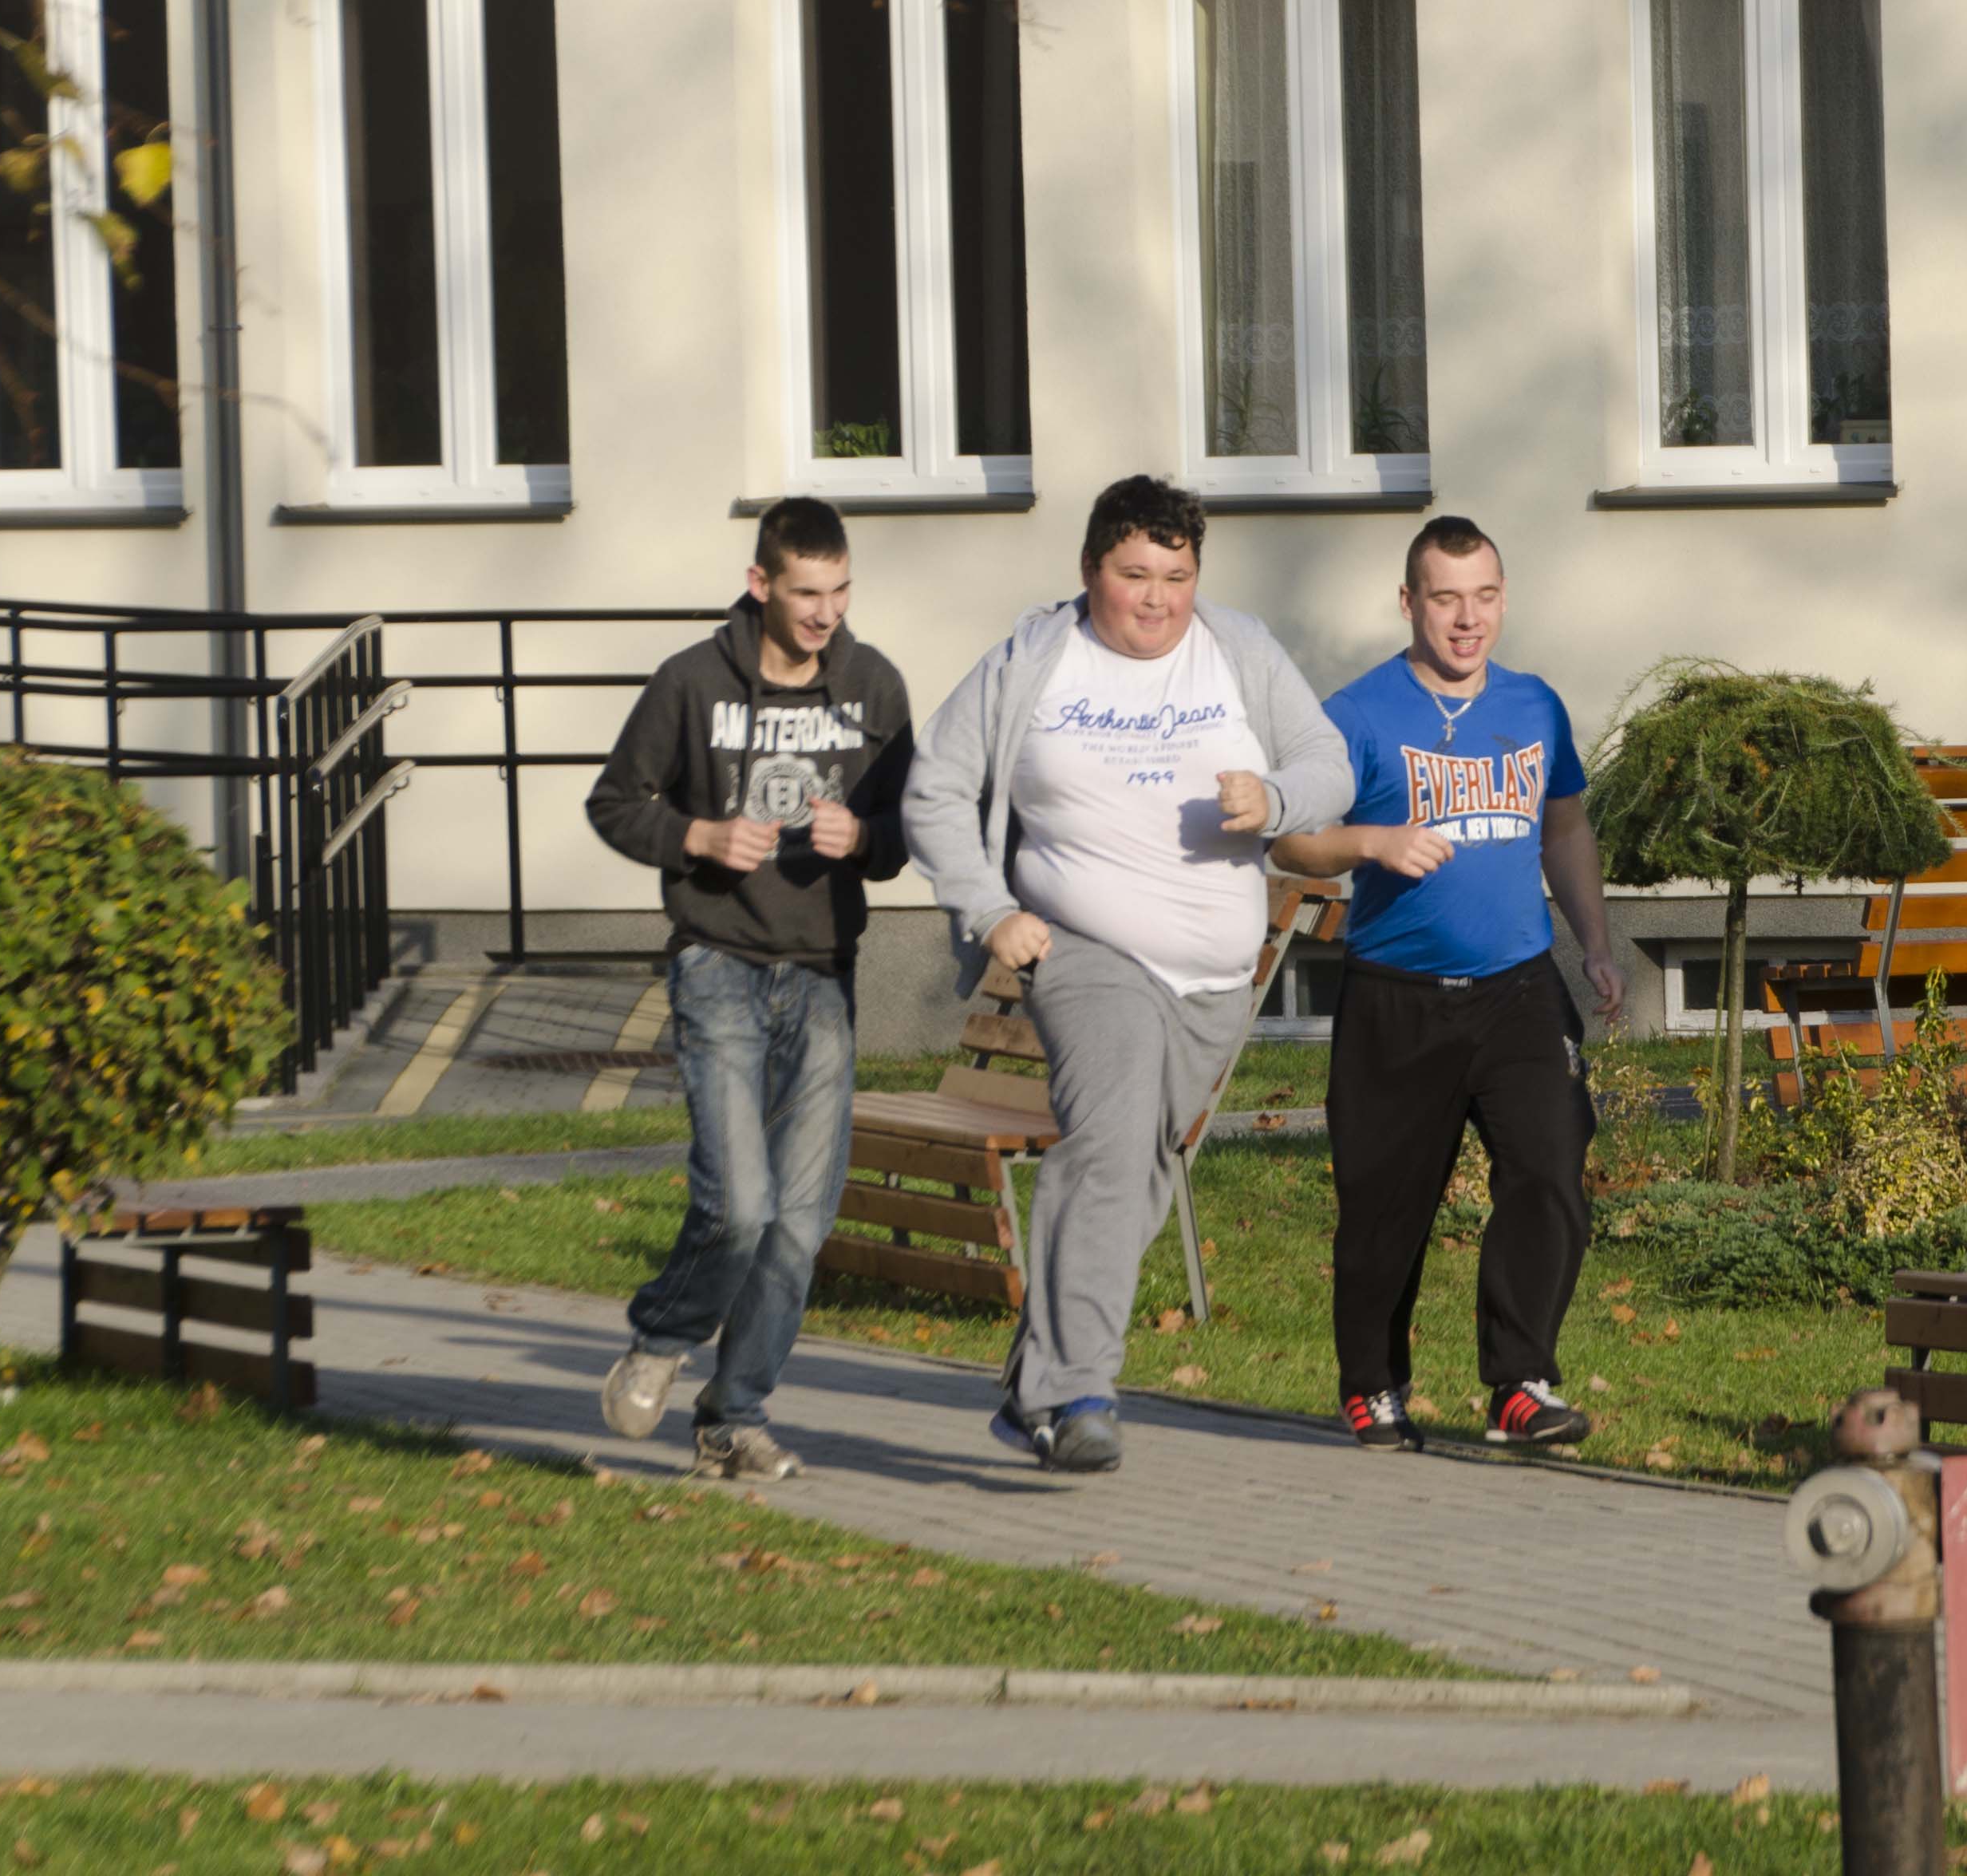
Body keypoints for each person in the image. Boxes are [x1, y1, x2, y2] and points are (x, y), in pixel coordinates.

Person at [901, 473, 1352, 1475]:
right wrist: (988, 907)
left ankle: (1032, 1387)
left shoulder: (1235, 649)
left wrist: (1274, 796)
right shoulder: (1034, 659)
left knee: (1143, 1174)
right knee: (1106, 1147)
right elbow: (934, 785)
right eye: (1133, 574)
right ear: (1090, 571)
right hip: (1082, 948)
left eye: (1175, 576)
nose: (1155, 598)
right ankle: (1076, 1395)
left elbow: (1330, 761)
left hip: (1217, 976)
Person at [1269, 515, 1620, 1453]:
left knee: (1549, 1170)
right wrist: (1370, 841)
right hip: (1396, 996)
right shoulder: (1357, 713)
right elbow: (1288, 837)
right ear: (1408, 603)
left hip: (1517, 987)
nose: (1467, 619)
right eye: (1445, 598)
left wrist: (1593, 940)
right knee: (1385, 1209)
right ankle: (1372, 1385)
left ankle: (1520, 1381)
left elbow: (1565, 829)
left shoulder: (1536, 705)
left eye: (1484, 597)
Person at [582, 496, 913, 1482]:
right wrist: (698, 836)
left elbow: (911, 826)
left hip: (821, 977)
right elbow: (614, 802)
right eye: (806, 592)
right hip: (716, 961)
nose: (825, 613)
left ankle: (733, 1418)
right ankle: (659, 1335)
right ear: (760, 583)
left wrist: (868, 841)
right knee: (738, 1206)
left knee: (799, 1223)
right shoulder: (690, 683)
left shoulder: (874, 688)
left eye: (840, 591)